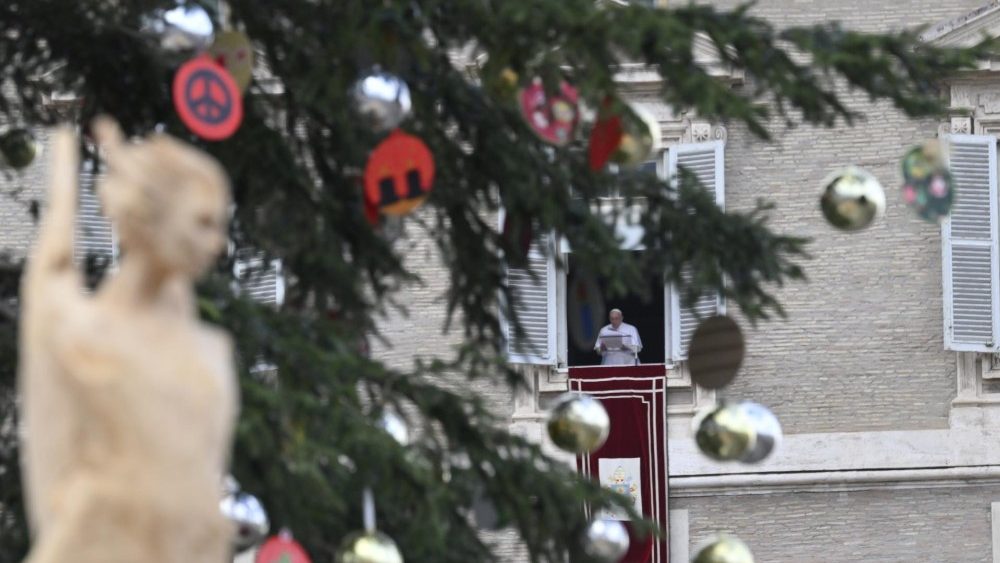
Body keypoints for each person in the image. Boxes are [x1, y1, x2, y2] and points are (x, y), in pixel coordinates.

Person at [19, 118, 237, 563]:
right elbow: (50, 277)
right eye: (202, 223)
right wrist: (63, 175)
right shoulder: (84, 333)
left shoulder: (209, 351)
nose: (217, 244)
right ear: (152, 215)